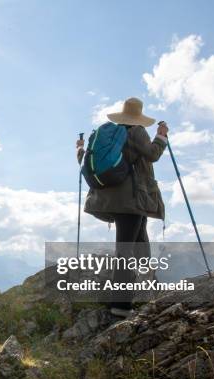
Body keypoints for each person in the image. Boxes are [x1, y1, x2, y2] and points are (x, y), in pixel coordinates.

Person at [76, 97, 168, 317]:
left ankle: (146, 285)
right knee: (125, 250)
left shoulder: (106, 135)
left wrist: (79, 149)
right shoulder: (136, 132)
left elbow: (84, 160)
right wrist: (162, 136)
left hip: (112, 199)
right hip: (131, 200)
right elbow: (153, 154)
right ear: (138, 117)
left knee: (138, 237)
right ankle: (121, 305)